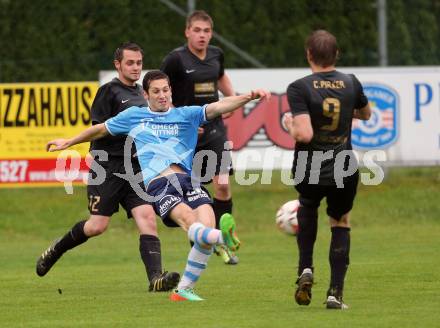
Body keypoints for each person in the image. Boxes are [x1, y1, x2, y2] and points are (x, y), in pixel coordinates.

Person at [45, 70, 270, 301]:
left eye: (165, 90)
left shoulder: (187, 114)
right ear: (146, 94)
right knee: (189, 221)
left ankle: (184, 289)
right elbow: (101, 129)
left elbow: (219, 106)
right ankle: (223, 239)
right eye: (156, 91)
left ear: (170, 91)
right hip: (160, 184)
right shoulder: (135, 116)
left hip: (189, 180)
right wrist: (69, 141)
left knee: (206, 225)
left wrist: (249, 96)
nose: (162, 95)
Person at [36, 43, 180, 293]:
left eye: (138, 63)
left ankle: (155, 278)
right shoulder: (109, 91)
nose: (135, 67)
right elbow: (99, 129)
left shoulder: (143, 93)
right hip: (108, 167)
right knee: (97, 226)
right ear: (118, 65)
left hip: (135, 169)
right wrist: (75, 145)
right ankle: (57, 248)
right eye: (130, 63)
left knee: (147, 219)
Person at [283, 30, 371, 309]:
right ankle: (335, 294)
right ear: (337, 55)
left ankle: (305, 268)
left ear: (309, 54)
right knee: (340, 221)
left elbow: (305, 134)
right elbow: (366, 114)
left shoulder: (299, 87)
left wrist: (290, 126)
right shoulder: (351, 82)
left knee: (307, 206)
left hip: (310, 164)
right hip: (343, 166)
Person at [160, 10, 238, 264]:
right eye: (197, 30)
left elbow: (220, 76)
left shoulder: (216, 54)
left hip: (215, 129)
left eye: (206, 31)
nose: (202, 35)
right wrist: (181, 121)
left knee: (223, 184)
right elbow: (158, 91)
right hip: (186, 137)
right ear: (187, 32)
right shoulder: (175, 59)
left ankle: (224, 242)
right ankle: (202, 239)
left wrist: (232, 98)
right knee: (193, 191)